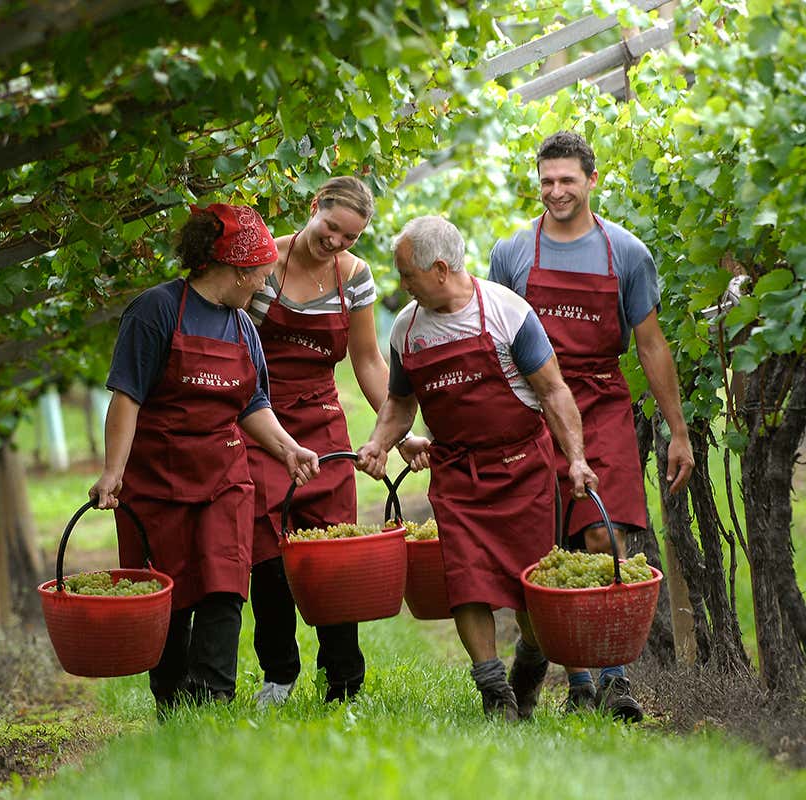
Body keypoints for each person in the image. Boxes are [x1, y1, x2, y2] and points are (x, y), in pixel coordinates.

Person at [355, 215, 597, 722]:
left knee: (532, 591)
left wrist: (575, 458)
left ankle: (528, 668)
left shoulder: (507, 313)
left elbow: (554, 392)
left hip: (522, 471)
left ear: (440, 269)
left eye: (408, 276)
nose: (403, 286)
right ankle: (494, 692)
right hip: (457, 475)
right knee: (466, 580)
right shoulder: (408, 330)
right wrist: (379, 442)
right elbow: (401, 403)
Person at [489, 131, 694, 722]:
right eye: (547, 180)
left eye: (567, 181)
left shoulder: (625, 253)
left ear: (591, 181)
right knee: (548, 543)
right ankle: (574, 674)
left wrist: (677, 431)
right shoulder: (513, 252)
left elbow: (652, 346)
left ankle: (613, 676)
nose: (556, 191)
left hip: (602, 403)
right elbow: (497, 340)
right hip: (534, 408)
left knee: (604, 536)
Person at [90, 203, 320, 715]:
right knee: (168, 598)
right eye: (260, 275)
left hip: (224, 477)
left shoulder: (243, 328)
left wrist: (287, 449)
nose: (264, 285)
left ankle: (212, 697)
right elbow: (126, 396)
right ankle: (172, 702)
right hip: (157, 482)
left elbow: (253, 403)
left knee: (225, 584)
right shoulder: (153, 311)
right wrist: (113, 472)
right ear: (234, 270)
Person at [242, 176, 389, 708]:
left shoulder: (354, 277)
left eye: (348, 237)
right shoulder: (264, 265)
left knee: (334, 557)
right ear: (313, 208)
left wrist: (396, 425)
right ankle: (278, 675)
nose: (335, 243)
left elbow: (368, 360)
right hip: (261, 421)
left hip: (324, 423)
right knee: (268, 556)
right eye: (330, 228)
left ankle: (344, 680)